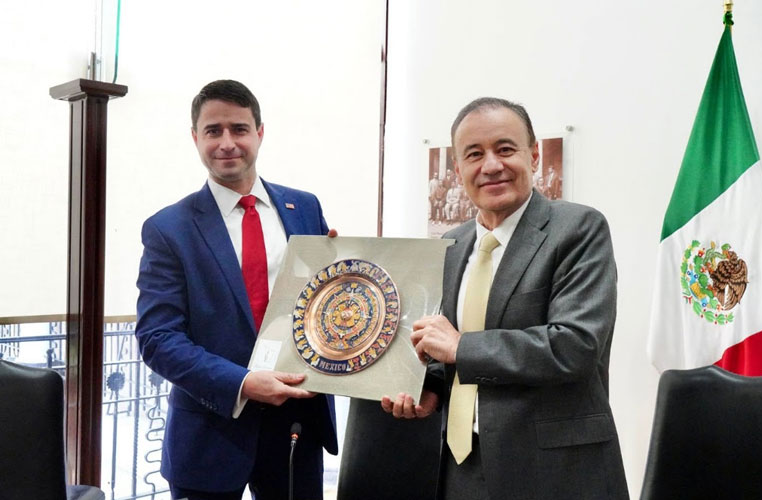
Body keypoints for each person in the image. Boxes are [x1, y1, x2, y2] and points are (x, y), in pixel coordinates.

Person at [382, 97, 628, 499]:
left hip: (555, 473)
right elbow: (446, 349)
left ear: (533, 155)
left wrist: (461, 347)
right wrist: (429, 388)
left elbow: (576, 345)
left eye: (505, 149)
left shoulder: (578, 229)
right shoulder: (451, 244)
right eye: (474, 154)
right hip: (462, 467)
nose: (491, 165)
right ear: (458, 169)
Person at [135, 80, 337, 500]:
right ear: (195, 138)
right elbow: (158, 339)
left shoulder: (305, 207)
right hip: (209, 434)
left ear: (259, 133)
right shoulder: (168, 229)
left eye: (239, 129)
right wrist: (243, 383)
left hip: (297, 425)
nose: (227, 143)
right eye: (213, 131)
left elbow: (321, 303)